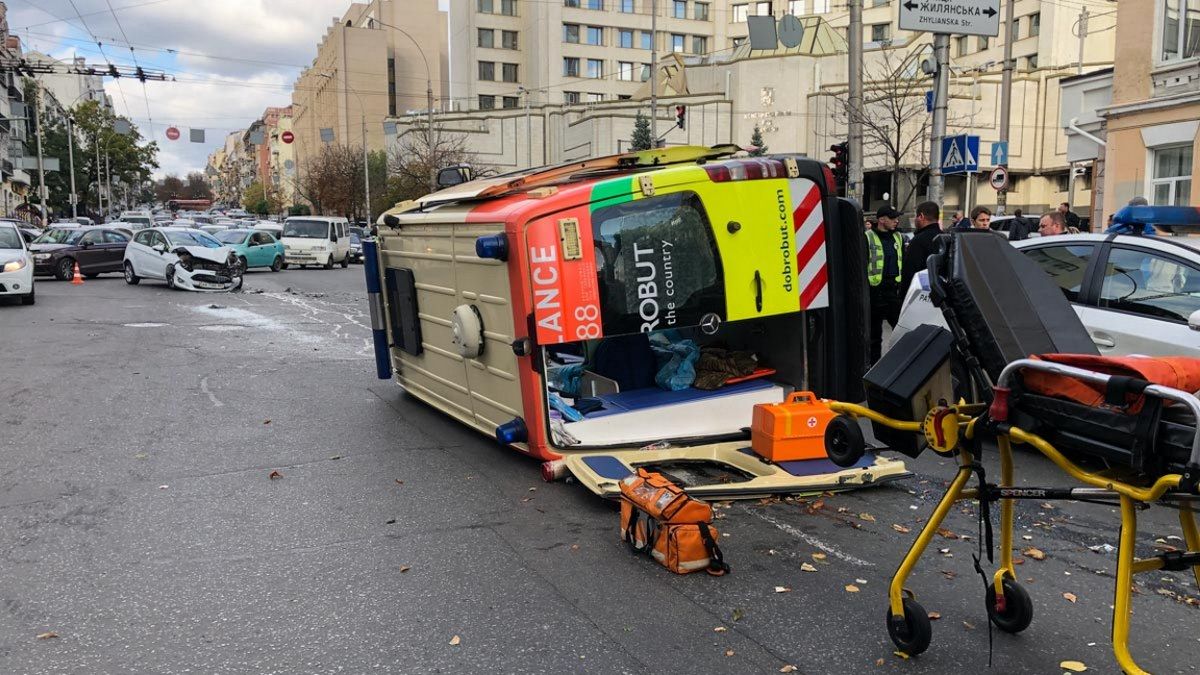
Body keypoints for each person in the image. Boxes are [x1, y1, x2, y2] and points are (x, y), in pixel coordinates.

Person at [866, 207, 905, 362]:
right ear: (881, 219)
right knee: (874, 336)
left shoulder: (898, 237)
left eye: (897, 217)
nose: (896, 220)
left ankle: (900, 363)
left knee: (902, 330)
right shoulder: (868, 237)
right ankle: (873, 367)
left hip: (892, 291)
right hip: (875, 292)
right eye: (892, 217)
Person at [901, 201, 943, 295]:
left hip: (920, 295)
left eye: (916, 216)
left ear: (921, 216)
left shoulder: (918, 241)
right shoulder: (945, 238)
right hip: (941, 296)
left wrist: (903, 296)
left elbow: (909, 273)